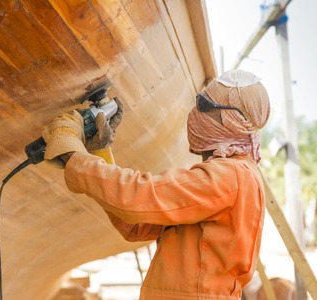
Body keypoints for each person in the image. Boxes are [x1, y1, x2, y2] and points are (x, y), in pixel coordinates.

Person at [42, 69, 270, 300]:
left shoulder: (230, 176)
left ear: (230, 120)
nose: (195, 113)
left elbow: (140, 195)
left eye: (203, 106)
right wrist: (100, 153)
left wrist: (71, 154)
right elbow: (138, 223)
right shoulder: (235, 174)